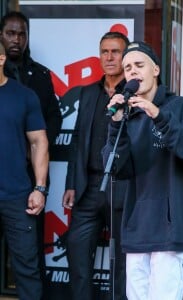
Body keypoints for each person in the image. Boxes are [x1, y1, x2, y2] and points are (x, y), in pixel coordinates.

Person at [102, 41, 183, 300]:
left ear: (156, 70)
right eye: (128, 68)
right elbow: (116, 167)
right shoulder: (126, 115)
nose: (133, 72)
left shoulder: (181, 107)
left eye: (139, 65)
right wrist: (116, 124)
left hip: (171, 234)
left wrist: (158, 116)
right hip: (137, 231)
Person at [62, 31, 129, 300]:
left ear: (125, 57)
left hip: (123, 186)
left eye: (115, 51)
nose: (109, 57)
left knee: (123, 261)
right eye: (105, 51)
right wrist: (70, 184)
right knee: (77, 251)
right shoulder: (89, 92)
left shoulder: (134, 93)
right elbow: (77, 139)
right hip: (88, 186)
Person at [0, 10, 62, 288]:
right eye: (11, 33)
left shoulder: (38, 77)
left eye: (22, 34)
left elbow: (50, 124)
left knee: (28, 257)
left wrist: (39, 185)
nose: (17, 39)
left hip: (24, 184)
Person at [0, 41, 49, 300]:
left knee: (27, 271)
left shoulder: (23, 96)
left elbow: (39, 141)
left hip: (17, 196)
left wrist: (40, 188)